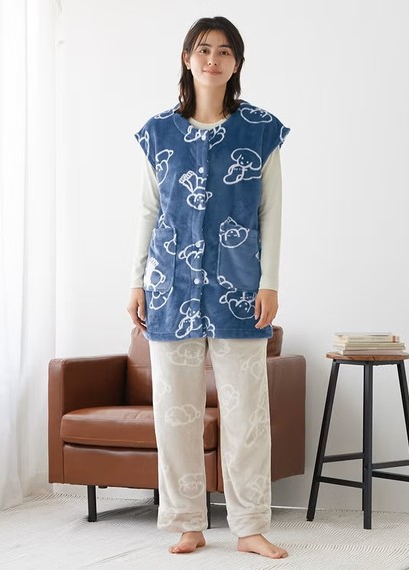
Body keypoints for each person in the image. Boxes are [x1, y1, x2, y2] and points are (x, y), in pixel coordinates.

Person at [127, 16, 289, 558]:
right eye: (203, 49)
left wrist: (270, 283)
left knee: (247, 415)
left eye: (223, 51)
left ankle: (250, 528)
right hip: (169, 288)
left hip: (239, 288)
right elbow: (148, 212)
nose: (212, 59)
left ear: (236, 63)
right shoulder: (158, 133)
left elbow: (271, 212)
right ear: (186, 58)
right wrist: (136, 282)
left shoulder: (260, 131)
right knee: (175, 414)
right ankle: (187, 523)